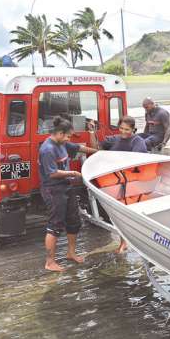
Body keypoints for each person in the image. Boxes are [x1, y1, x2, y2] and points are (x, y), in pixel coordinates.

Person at [39, 116, 98, 272]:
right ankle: (49, 262)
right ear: (59, 133)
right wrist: (72, 172)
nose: (68, 139)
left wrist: (99, 153)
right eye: (67, 136)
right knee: (55, 225)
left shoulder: (62, 143)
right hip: (53, 189)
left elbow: (78, 148)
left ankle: (70, 253)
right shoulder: (47, 149)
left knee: (74, 221)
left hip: (66, 186)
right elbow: (51, 174)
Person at [88, 115, 147, 253]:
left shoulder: (138, 142)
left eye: (127, 129)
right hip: (116, 182)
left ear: (133, 129)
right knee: (118, 214)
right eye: (121, 128)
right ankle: (124, 242)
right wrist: (92, 132)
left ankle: (134, 241)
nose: (123, 131)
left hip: (132, 184)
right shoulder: (115, 139)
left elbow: (137, 162)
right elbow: (96, 147)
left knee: (129, 214)